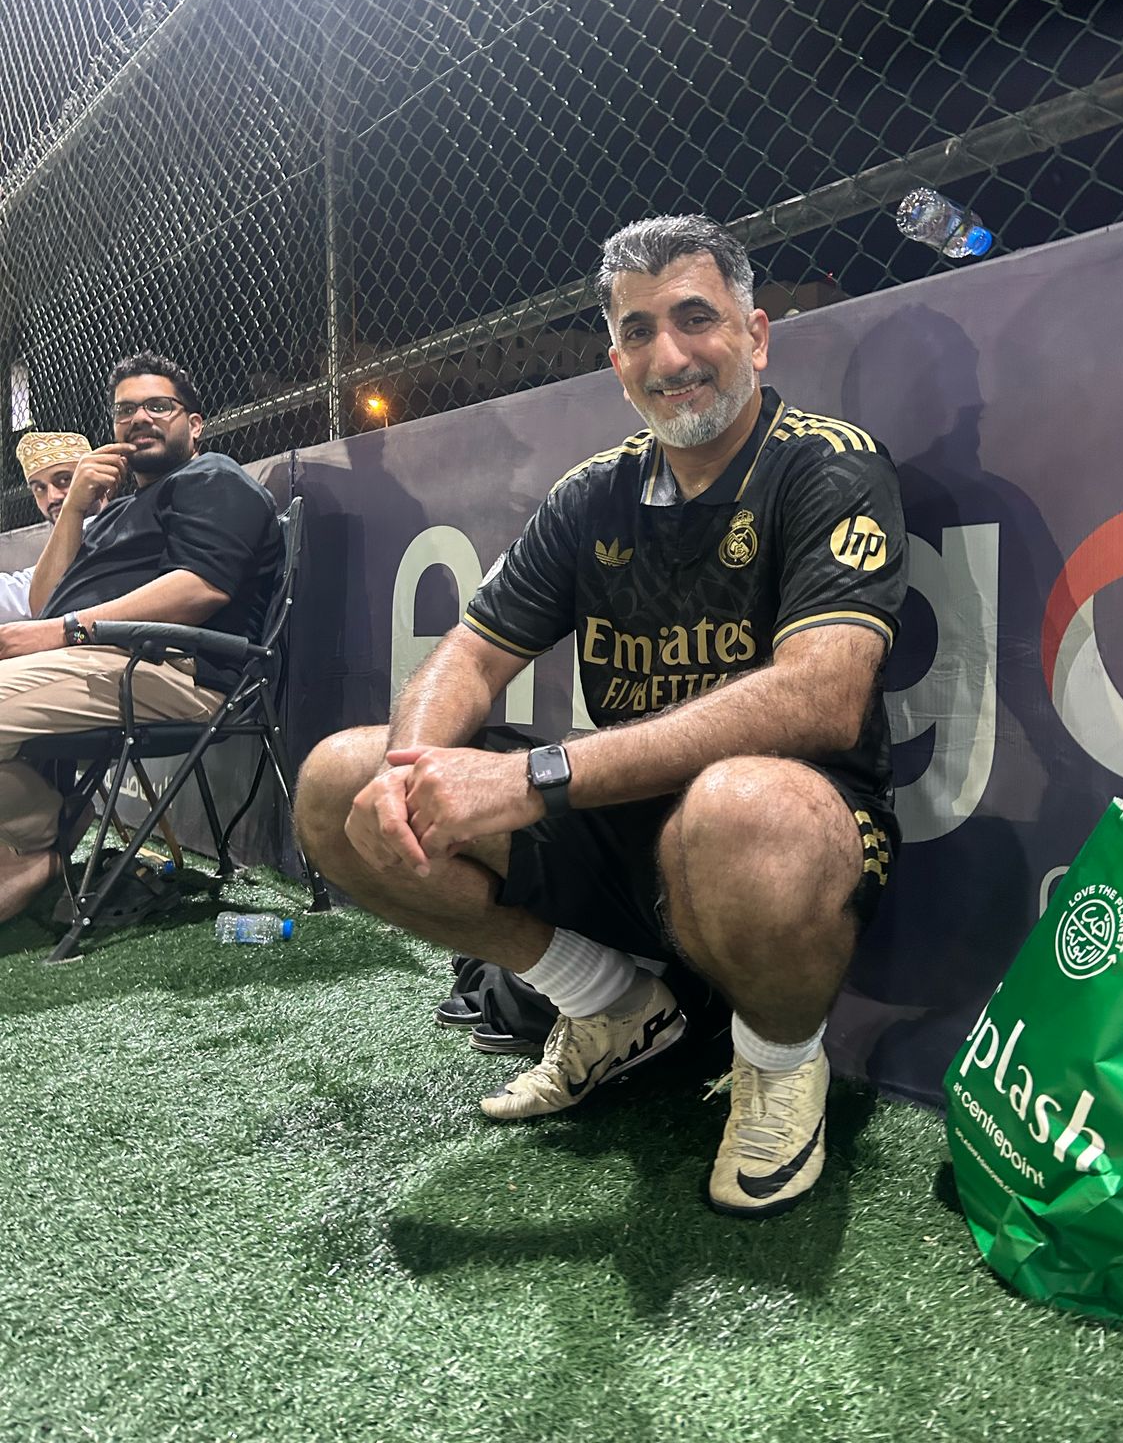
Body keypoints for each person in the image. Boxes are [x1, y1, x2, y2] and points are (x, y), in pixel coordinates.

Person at [295, 215, 909, 1218]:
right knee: (340, 782)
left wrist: (535, 777)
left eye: (695, 319)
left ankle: (778, 1064)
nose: (669, 357)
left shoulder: (829, 464)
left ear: (755, 335)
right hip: (614, 819)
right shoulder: (591, 494)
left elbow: (822, 693)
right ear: (616, 363)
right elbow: (470, 653)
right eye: (638, 332)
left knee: (739, 803)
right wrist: (411, 772)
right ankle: (611, 1005)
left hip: (782, 829)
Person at [0, 351, 282, 922]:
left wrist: (63, 632)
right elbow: (45, 602)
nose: (139, 418)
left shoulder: (212, 476)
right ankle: (40, 841)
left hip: (172, 669)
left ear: (194, 424)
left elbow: (200, 588)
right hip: (102, 661)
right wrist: (74, 509)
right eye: (125, 411)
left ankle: (41, 843)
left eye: (158, 406)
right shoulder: (117, 511)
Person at [0, 432, 95, 622]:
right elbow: (23, 593)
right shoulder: (53, 552)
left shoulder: (123, 525)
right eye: (39, 488)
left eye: (64, 480)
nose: (52, 497)